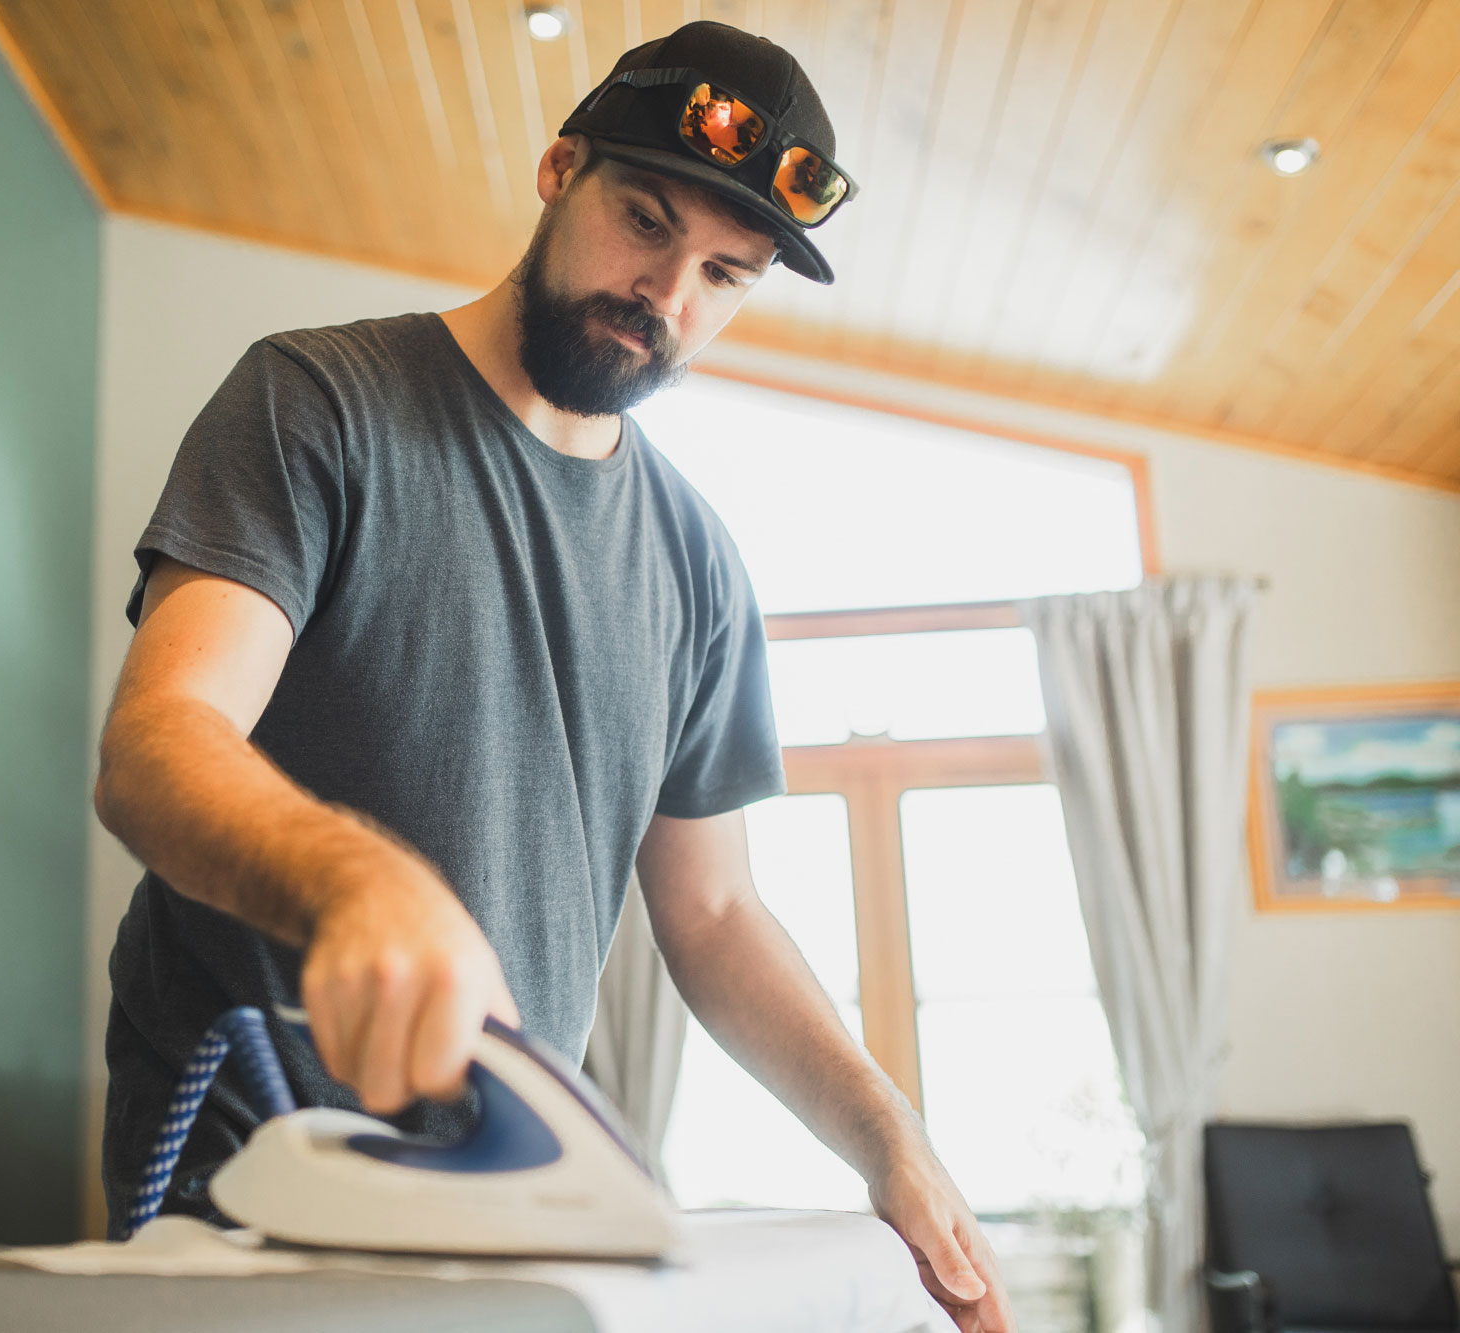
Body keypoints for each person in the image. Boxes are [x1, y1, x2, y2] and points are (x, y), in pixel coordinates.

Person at [92, 19, 1013, 1333]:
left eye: (725, 275)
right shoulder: (316, 404)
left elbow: (714, 915)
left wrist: (886, 1135)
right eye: (644, 222)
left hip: (498, 1194)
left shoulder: (698, 564)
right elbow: (158, 739)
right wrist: (358, 878)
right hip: (248, 1147)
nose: (670, 296)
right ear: (556, 169)